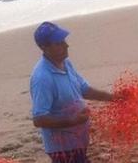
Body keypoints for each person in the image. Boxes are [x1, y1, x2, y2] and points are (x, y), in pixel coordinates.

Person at [30, 21, 120, 163]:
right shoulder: (42, 78)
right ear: (44, 47)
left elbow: (84, 90)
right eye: (58, 43)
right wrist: (73, 121)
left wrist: (115, 98)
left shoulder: (66, 63)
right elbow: (39, 119)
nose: (66, 45)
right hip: (62, 149)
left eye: (64, 40)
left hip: (78, 141)